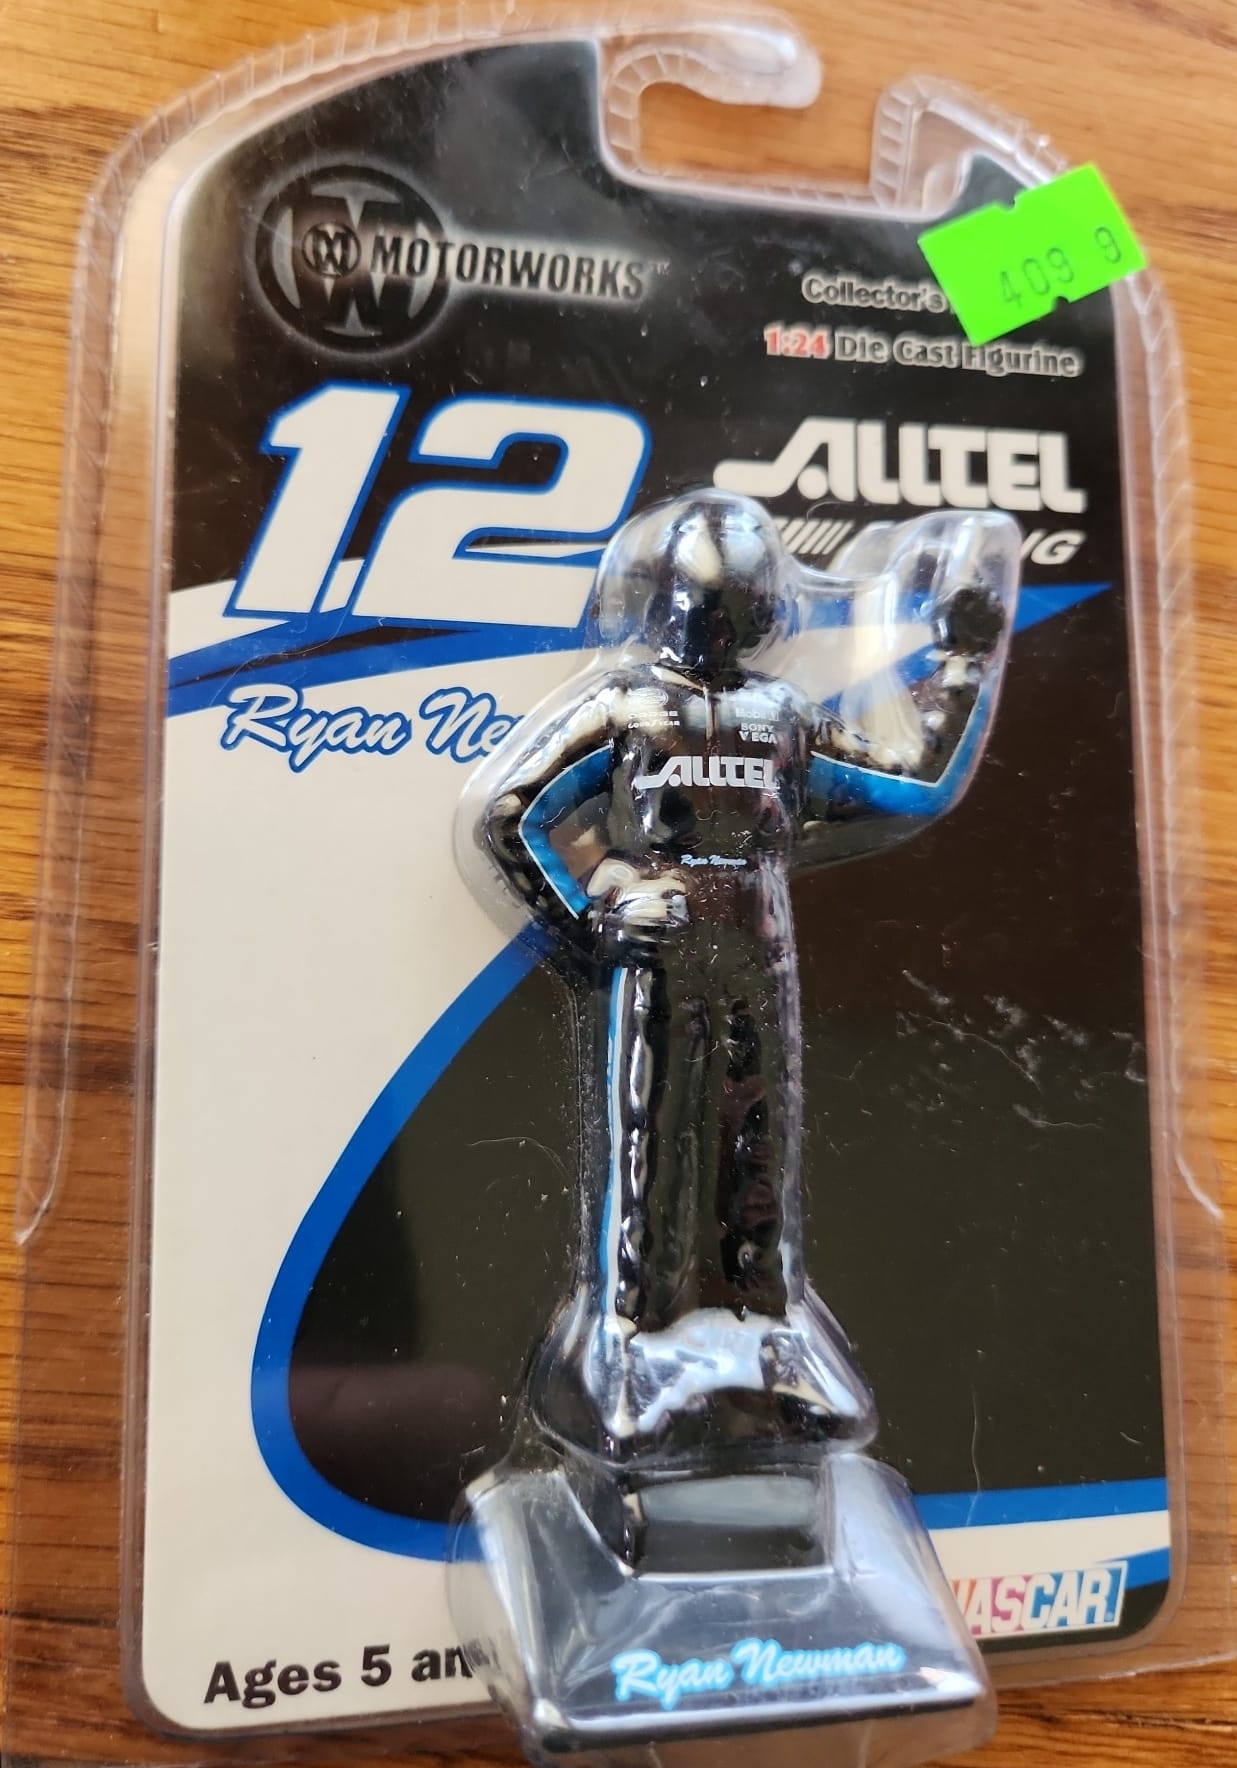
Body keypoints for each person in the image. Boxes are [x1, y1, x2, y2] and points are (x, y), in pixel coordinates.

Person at [473, 489, 1012, 1470]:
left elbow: (909, 781)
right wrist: (597, 910)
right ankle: (632, 1341)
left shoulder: (781, 718)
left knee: (759, 1143)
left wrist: (961, 663)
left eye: (740, 602)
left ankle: (768, 1332)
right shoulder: (627, 708)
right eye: (709, 601)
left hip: (759, 947)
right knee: (650, 1142)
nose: (722, 621)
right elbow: (513, 814)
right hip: (662, 951)